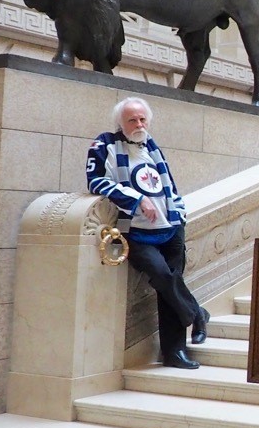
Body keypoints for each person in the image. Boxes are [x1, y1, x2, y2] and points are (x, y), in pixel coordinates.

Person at [87, 97, 207, 370]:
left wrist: (179, 214)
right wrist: (136, 199)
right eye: (132, 120)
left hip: (171, 228)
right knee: (162, 276)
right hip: (135, 230)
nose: (139, 124)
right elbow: (95, 180)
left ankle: (175, 352)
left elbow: (169, 186)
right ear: (121, 122)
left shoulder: (152, 147)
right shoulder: (105, 144)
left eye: (142, 119)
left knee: (170, 286)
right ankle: (197, 313)